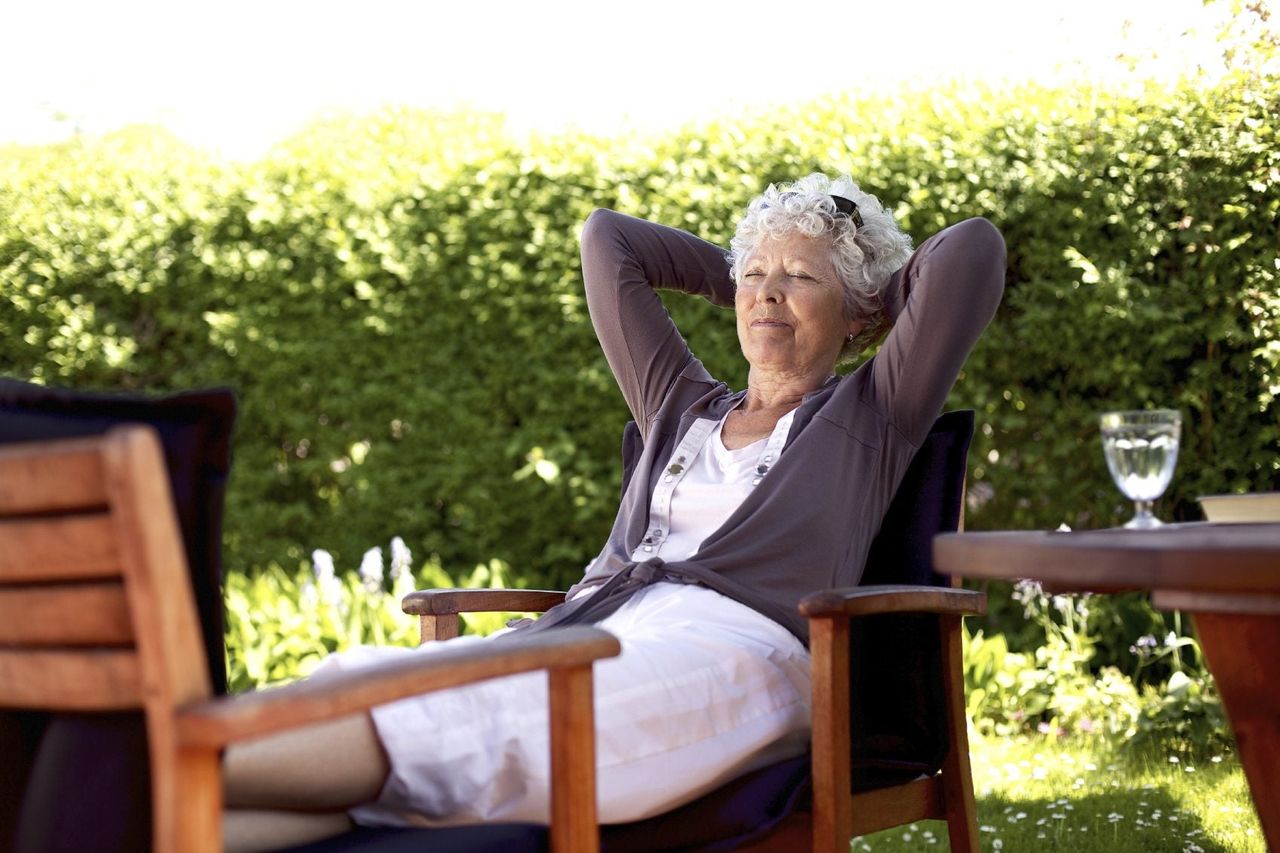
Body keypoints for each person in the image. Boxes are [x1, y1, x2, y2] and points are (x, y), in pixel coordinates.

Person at [222, 173, 1006, 851]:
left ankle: (151, 762)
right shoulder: (681, 404)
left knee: (496, 719)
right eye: (754, 275)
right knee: (382, 678)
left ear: (860, 314)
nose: (767, 292)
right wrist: (750, 266)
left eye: (801, 279)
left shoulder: (871, 411)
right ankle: (154, 798)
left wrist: (865, 280)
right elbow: (609, 242)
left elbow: (970, 251)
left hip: (736, 654)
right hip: (594, 627)